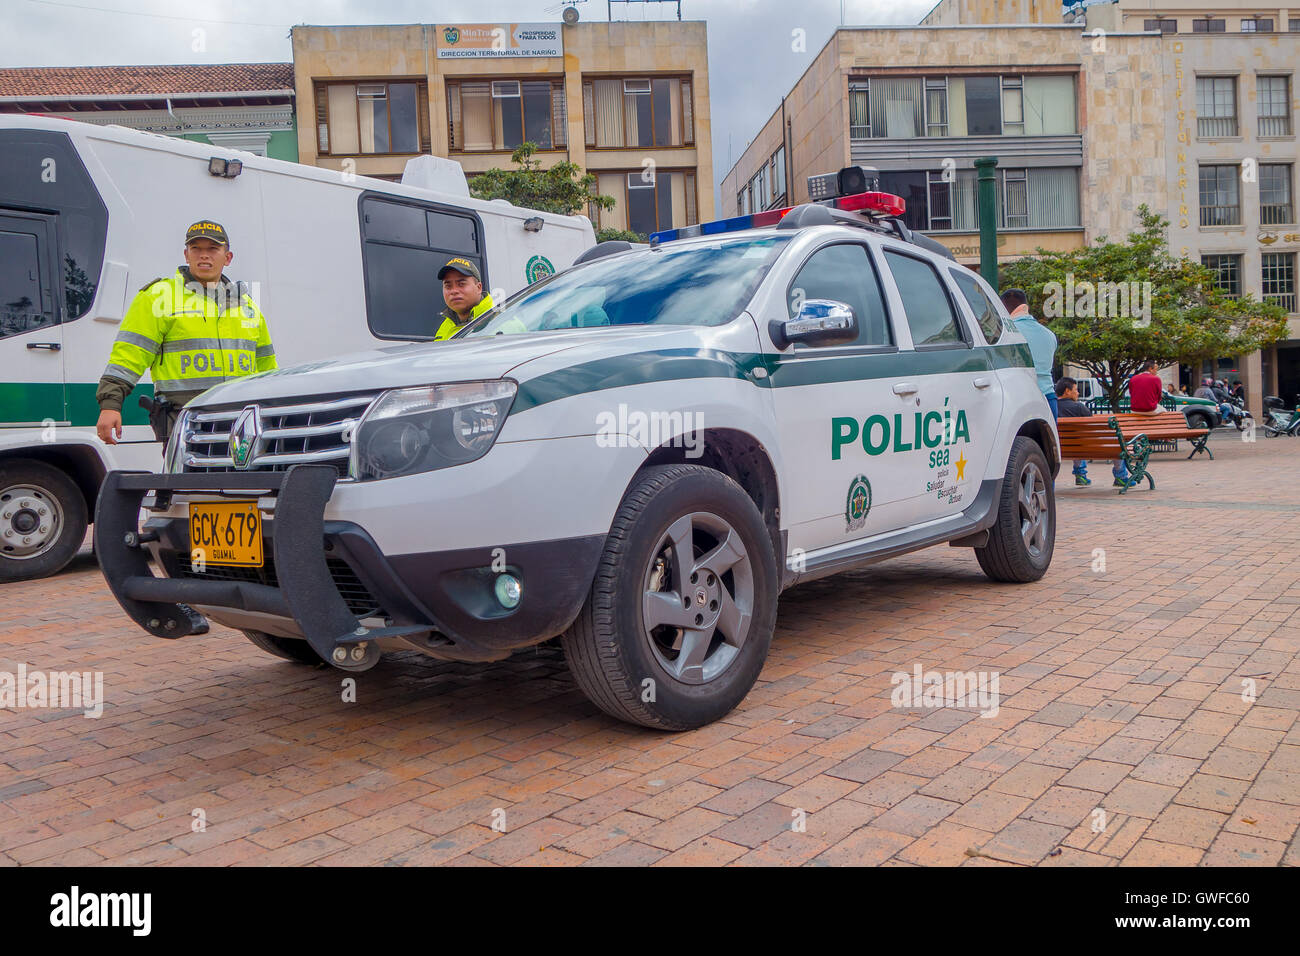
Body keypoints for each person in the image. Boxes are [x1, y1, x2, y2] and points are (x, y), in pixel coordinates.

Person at [96, 221, 276, 444]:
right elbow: (129, 355)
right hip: (185, 422)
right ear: (186, 255)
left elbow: (266, 367)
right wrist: (110, 405)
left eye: (212, 249)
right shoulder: (159, 296)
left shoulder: (246, 305)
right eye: (196, 249)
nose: (204, 256)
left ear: (227, 257)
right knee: (189, 480)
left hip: (242, 424)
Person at [1001, 288, 1059, 417]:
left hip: (1018, 399)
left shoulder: (1005, 332)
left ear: (1002, 308)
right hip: (1048, 398)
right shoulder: (1049, 335)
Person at [434, 258, 495, 340]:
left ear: (479, 288)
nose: (454, 291)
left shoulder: (502, 323)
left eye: (461, 284)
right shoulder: (444, 328)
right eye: (448, 286)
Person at [1055, 377, 1094, 486]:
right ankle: (1121, 476)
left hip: (1058, 446)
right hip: (1080, 447)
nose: (1078, 393)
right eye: (1076, 390)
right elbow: (1091, 423)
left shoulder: (1051, 407)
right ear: (1067, 391)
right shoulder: (1079, 407)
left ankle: (1080, 475)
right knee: (1078, 440)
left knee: (1075, 441)